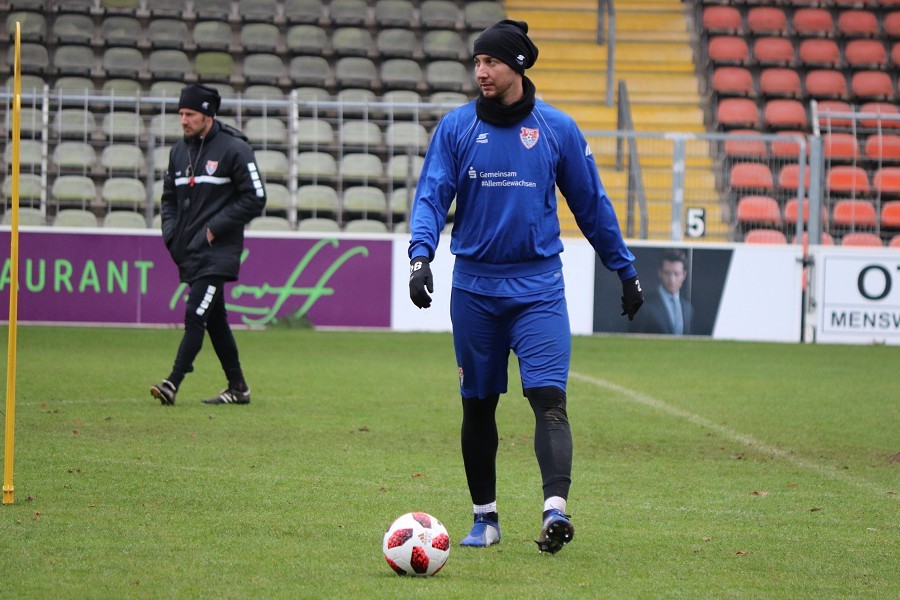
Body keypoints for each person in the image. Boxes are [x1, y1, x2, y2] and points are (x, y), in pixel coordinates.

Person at [407, 20, 643, 554]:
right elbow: (430, 197)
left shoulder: (556, 128)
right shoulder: (457, 128)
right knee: (477, 404)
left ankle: (554, 512)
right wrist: (421, 255)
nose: (480, 71)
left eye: (490, 61)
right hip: (475, 288)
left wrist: (623, 268)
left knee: (549, 399)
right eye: (477, 62)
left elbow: (592, 205)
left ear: (517, 65)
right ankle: (484, 520)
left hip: (538, 288)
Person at [150, 84, 266, 406]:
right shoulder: (178, 152)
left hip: (220, 253)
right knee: (216, 320)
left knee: (195, 313)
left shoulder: (235, 149)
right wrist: (171, 236)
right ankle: (238, 387)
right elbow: (168, 200)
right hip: (189, 251)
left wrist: (215, 229)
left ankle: (172, 382)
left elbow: (257, 197)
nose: (183, 121)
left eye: (189, 114)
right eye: (181, 115)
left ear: (207, 115)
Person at [629, 249, 693, 336]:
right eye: (667, 273)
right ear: (660, 273)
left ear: (684, 275)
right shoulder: (644, 306)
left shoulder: (687, 308)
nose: (672, 279)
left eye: (676, 274)